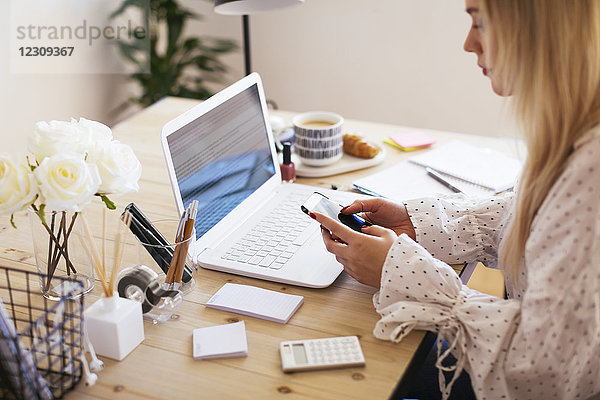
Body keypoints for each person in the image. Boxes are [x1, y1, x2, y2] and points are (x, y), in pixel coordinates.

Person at [310, 0, 600, 399]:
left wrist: (404, 274)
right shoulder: (576, 127)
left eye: (479, 24)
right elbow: (533, 217)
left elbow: (546, 373)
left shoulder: (592, 170)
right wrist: (419, 221)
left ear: (536, 31)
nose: (468, 44)